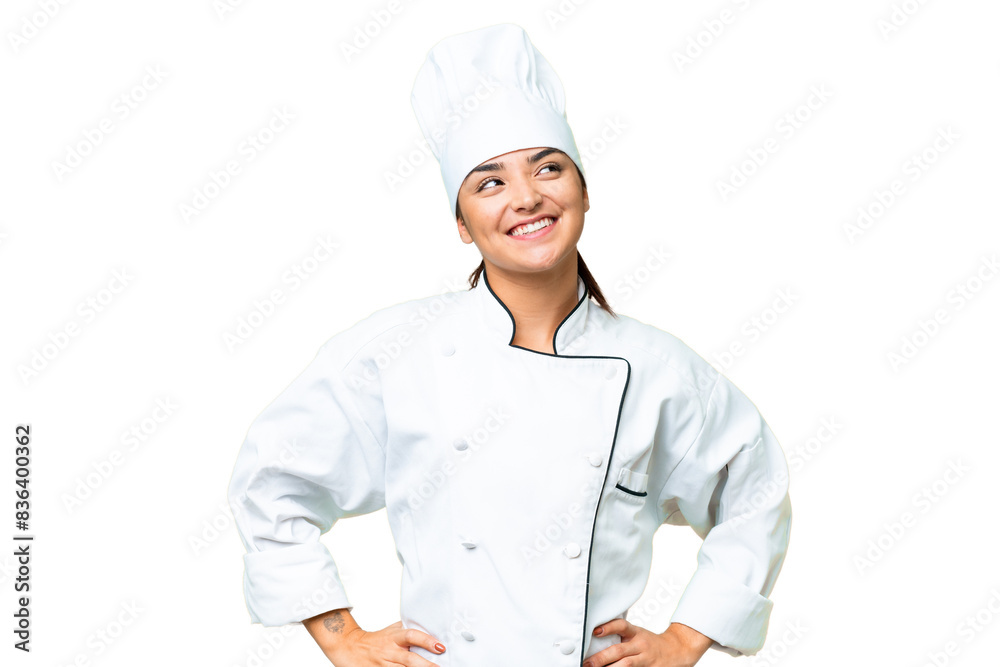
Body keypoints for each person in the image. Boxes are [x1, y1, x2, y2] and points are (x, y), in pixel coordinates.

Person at [227, 22, 792, 667]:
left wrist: (686, 639)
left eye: (549, 168)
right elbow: (272, 479)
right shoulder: (398, 353)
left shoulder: (658, 370)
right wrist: (341, 637)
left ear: (583, 191)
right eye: (489, 182)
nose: (527, 197)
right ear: (462, 224)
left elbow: (755, 493)